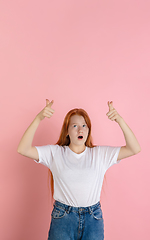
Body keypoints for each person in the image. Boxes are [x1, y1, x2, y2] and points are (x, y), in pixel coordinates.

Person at [17, 99, 141, 240]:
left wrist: (119, 120)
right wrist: (38, 118)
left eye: (84, 126)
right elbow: (23, 149)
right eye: (75, 126)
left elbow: (134, 148)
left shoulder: (99, 154)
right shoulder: (55, 153)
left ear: (88, 130)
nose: (80, 130)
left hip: (93, 219)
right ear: (67, 131)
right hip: (63, 218)